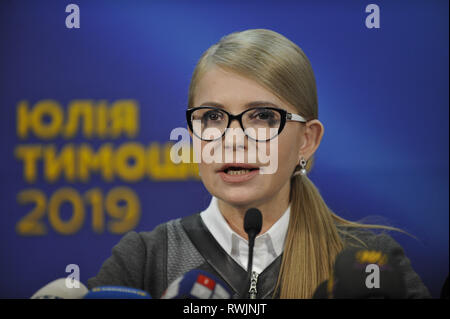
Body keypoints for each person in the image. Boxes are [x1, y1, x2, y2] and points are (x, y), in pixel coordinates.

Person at [87, 29, 431, 299]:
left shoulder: (368, 264)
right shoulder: (143, 260)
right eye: (212, 116)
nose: (233, 138)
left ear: (307, 140)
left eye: (263, 116)